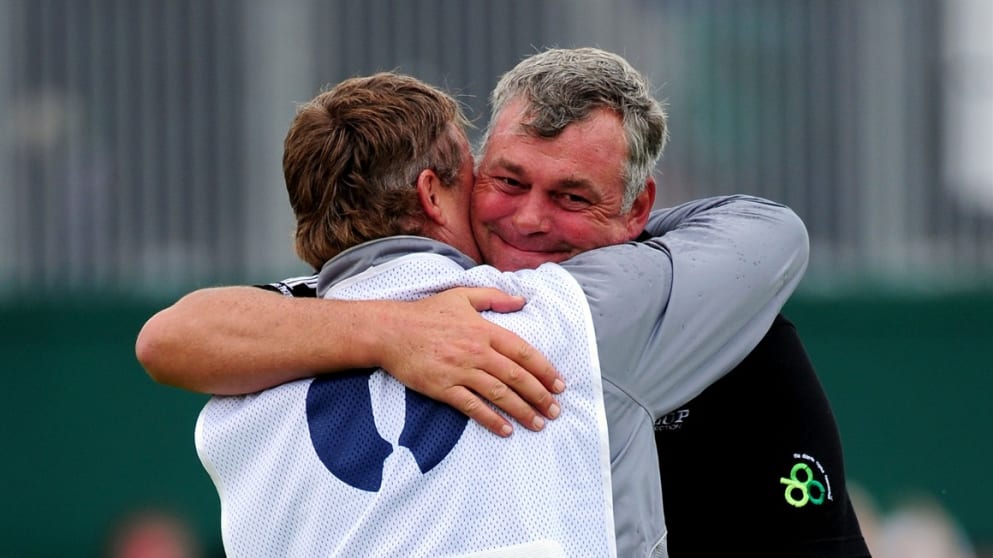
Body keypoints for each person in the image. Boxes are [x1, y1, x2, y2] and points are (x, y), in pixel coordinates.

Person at [134, 48, 860, 556]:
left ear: (637, 209)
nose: (531, 219)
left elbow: (167, 342)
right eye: (505, 182)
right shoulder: (560, 317)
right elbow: (169, 337)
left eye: (573, 197)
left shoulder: (252, 386)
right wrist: (394, 331)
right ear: (439, 188)